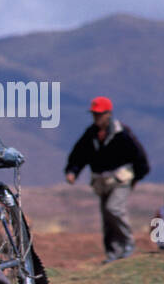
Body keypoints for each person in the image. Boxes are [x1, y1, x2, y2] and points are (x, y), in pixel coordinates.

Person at [64, 96, 150, 262]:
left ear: (108, 114)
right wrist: (72, 171)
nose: (97, 117)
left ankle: (128, 244)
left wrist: (137, 177)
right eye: (95, 114)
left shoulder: (121, 134)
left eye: (100, 114)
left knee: (114, 209)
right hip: (101, 183)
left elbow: (139, 156)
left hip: (120, 180)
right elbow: (79, 155)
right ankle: (113, 252)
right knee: (107, 217)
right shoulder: (91, 135)